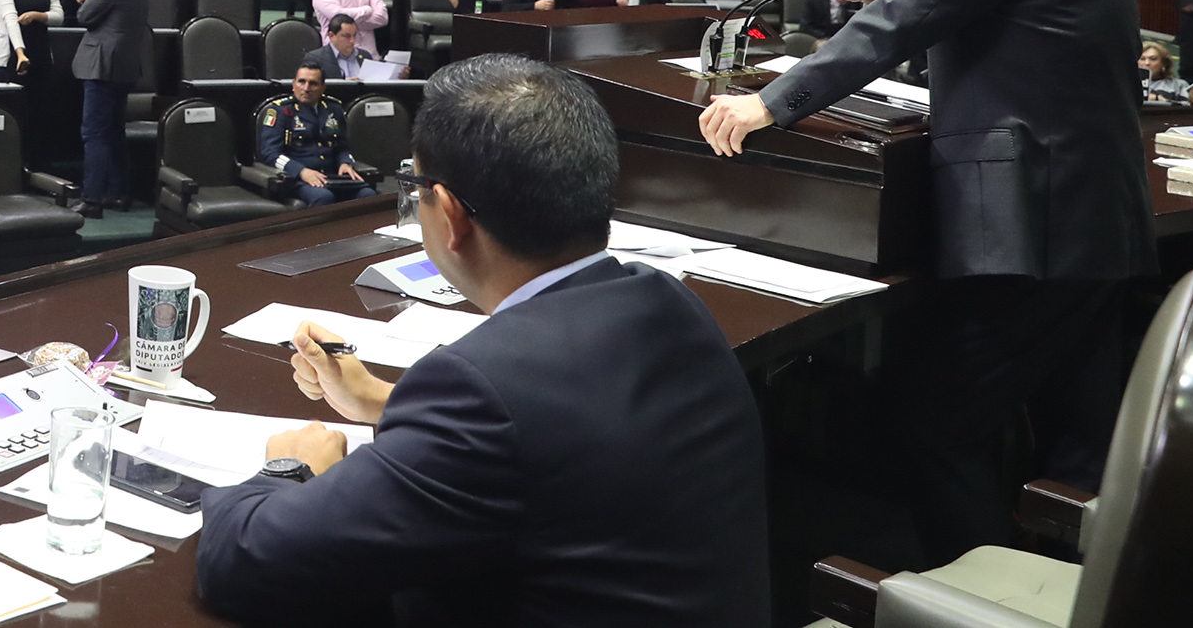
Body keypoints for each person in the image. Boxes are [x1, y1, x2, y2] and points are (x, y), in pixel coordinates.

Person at [698, 0, 1152, 561]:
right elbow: (1002, 25)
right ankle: (1072, 593)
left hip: (1035, 232)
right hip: (1094, 223)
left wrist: (770, 102)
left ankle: (969, 594)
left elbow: (902, 25)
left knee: (937, 422)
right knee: (1079, 449)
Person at [199, 55, 769, 626]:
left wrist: (289, 469)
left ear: (449, 214)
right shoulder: (672, 305)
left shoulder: (483, 391)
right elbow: (558, 431)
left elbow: (244, 563)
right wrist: (381, 400)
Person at [72, 0, 148, 217]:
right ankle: (118, 193)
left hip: (101, 67)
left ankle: (91, 198)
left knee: (94, 134)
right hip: (124, 66)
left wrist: (86, 0)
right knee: (114, 132)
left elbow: (85, 17)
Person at [256, 65, 373, 206]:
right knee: (323, 197)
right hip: (296, 179)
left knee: (367, 195)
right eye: (301, 82)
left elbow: (342, 146)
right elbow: (270, 154)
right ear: (293, 85)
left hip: (332, 177)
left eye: (313, 84)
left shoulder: (333, 108)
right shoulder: (280, 111)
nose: (306, 88)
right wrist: (301, 171)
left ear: (323, 88)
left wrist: (345, 163)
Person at [303, 14, 374, 82]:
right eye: (347, 36)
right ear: (331, 35)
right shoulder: (316, 58)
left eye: (354, 35)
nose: (352, 41)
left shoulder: (365, 56)